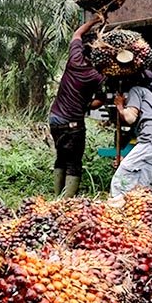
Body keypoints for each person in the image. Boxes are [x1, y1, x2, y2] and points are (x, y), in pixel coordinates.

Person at [49, 16, 105, 198]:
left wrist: (94, 20)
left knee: (61, 157)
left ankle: (56, 197)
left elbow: (77, 33)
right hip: (73, 125)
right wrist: (86, 104)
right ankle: (64, 204)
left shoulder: (74, 61)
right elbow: (99, 102)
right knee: (73, 162)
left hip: (55, 119)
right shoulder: (97, 76)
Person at [109, 72, 152, 198]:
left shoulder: (136, 91)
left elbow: (130, 118)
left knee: (123, 175)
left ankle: (118, 209)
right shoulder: (150, 98)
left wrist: (120, 106)